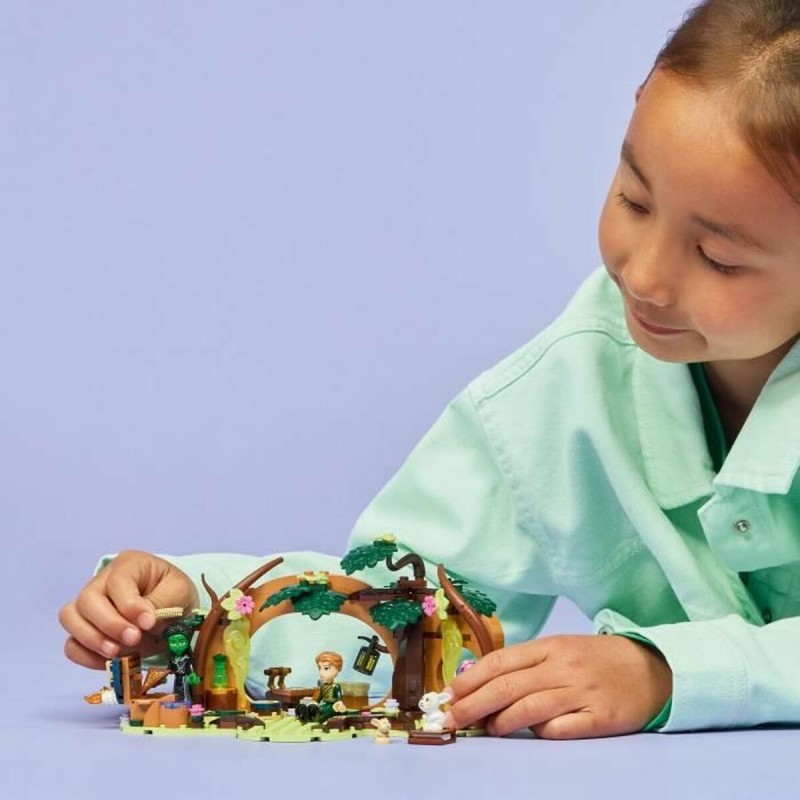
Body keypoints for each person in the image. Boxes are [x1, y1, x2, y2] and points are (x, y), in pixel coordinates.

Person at [58, 0, 800, 738]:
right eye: (634, 201)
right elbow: (404, 608)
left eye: (718, 258)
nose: (644, 277)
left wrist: (666, 674)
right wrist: (199, 609)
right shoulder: (563, 388)